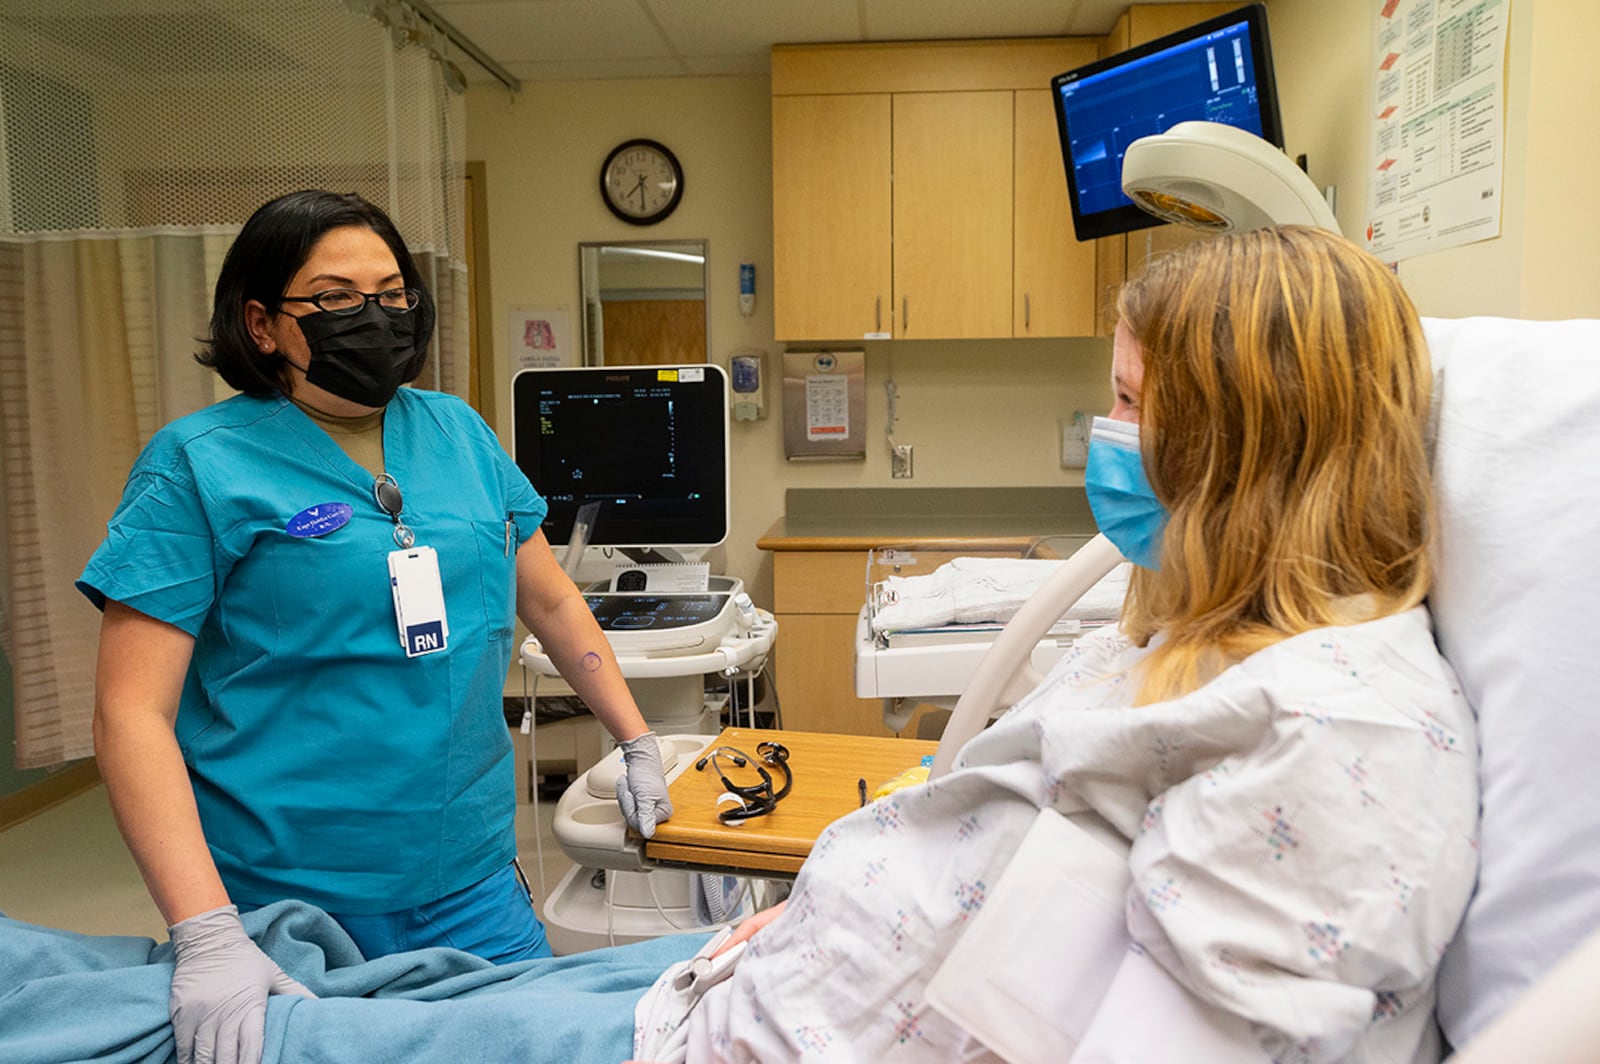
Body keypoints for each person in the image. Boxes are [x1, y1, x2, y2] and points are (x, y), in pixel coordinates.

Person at [663, 226, 1479, 1062]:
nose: (1107, 430)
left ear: (1237, 446)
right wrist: (819, 914)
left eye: (1130, 401)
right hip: (766, 983)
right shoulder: (1193, 633)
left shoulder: (1323, 739)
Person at [76, 190, 674, 1064]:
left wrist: (636, 741)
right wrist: (204, 932)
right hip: (290, 894)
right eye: (334, 298)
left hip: (469, 876)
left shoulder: (459, 433)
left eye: (393, 293)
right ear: (262, 323)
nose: (376, 315)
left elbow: (547, 600)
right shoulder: (197, 464)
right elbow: (129, 715)